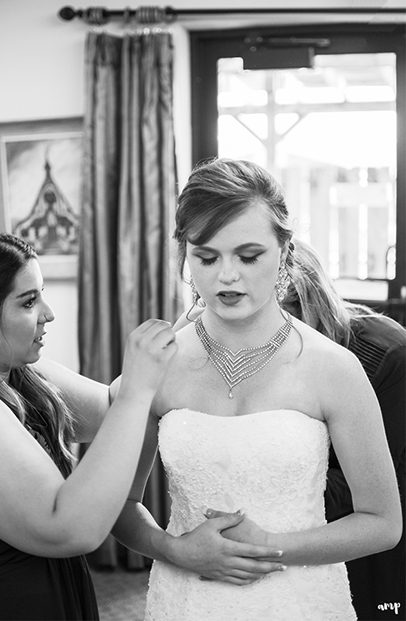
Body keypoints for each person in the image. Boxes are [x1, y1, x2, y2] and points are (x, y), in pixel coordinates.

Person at [110, 158, 401, 620]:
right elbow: (120, 506)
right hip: (186, 599)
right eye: (206, 257)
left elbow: (383, 523)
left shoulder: (333, 369)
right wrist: (175, 549)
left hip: (301, 600)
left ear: (284, 253)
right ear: (185, 255)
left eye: (249, 256)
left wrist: (272, 548)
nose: (227, 276)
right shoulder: (157, 366)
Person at [0, 231, 176, 620]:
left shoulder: (25, 374)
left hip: (61, 586)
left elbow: (113, 411)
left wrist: (197, 333)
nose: (48, 312)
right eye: (28, 301)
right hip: (18, 600)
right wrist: (138, 388)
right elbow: (73, 528)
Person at [283, 243, 406, 620]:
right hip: (295, 531)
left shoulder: (387, 354)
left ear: (313, 305)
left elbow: (373, 482)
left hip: (377, 526)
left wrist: (265, 490)